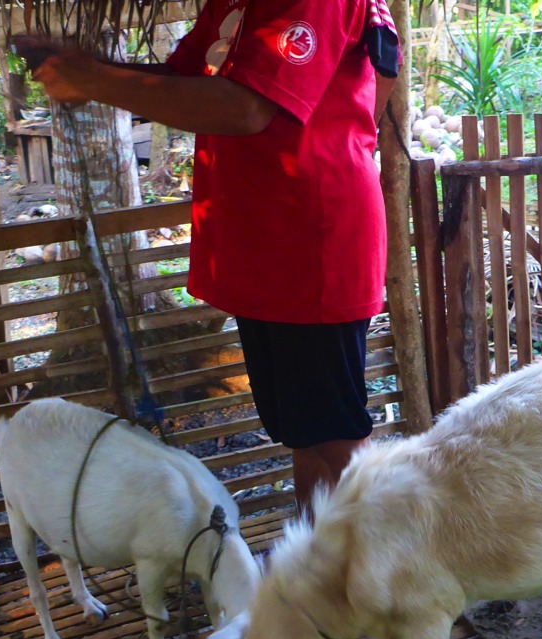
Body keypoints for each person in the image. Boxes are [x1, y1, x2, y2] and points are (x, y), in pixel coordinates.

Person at [25, 0, 399, 522]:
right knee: (302, 430)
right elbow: (182, 79)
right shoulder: (234, 4)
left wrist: (94, 80)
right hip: (265, 243)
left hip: (310, 242)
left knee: (334, 435)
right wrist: (92, 73)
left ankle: (411, 582)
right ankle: (321, 569)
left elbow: (245, 106)